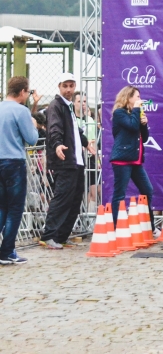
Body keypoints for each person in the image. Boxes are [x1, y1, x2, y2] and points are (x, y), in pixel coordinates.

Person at [41, 73, 93, 249]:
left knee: (75, 200)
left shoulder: (68, 107)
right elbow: (54, 128)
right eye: (66, 86)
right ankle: (49, 235)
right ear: (59, 86)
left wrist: (86, 143)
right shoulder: (56, 106)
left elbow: (75, 131)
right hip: (65, 160)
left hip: (75, 160)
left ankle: (61, 236)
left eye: (71, 86)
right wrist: (57, 145)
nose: (69, 89)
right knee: (62, 198)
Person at [0, 77, 39, 264]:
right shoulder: (21, 111)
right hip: (14, 162)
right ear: (23, 92)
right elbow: (31, 139)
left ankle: (6, 250)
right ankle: (7, 251)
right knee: (15, 209)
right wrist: (34, 124)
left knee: (1, 206)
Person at [109, 85, 155, 234]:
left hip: (135, 160)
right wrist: (137, 111)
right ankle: (117, 227)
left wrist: (144, 124)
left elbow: (145, 137)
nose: (140, 100)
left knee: (147, 190)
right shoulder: (119, 113)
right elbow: (131, 125)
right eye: (137, 97)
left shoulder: (135, 114)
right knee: (120, 194)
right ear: (128, 98)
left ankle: (149, 227)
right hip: (122, 159)